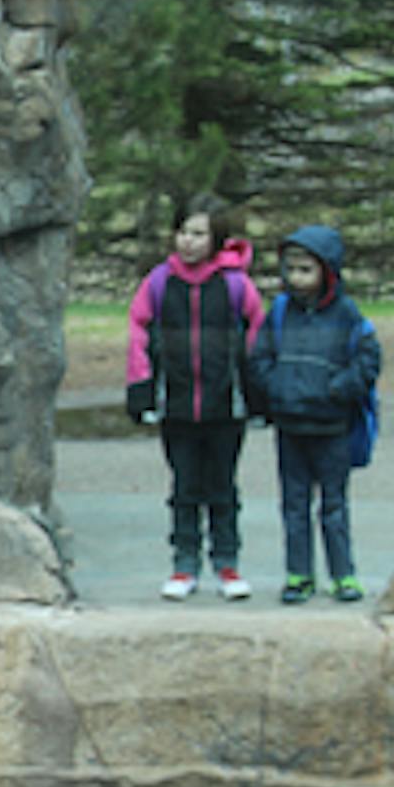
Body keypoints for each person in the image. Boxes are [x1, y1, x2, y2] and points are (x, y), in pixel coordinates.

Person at [125, 194, 266, 600]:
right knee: (184, 487)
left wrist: (258, 394)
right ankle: (184, 563)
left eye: (198, 233)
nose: (188, 241)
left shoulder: (237, 285)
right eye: (183, 231)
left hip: (226, 407)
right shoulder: (158, 282)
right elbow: (138, 333)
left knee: (222, 487)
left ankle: (227, 562)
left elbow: (256, 338)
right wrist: (141, 389)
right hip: (178, 406)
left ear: (216, 238)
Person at [246, 224, 382, 604]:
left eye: (306, 269)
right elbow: (259, 358)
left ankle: (344, 574)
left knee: (334, 505)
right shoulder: (281, 312)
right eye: (290, 269)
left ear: (327, 271)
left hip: (332, 425)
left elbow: (368, 359)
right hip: (291, 425)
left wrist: (338, 390)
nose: (296, 277)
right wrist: (277, 389)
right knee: (294, 505)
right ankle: (298, 574)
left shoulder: (347, 314)